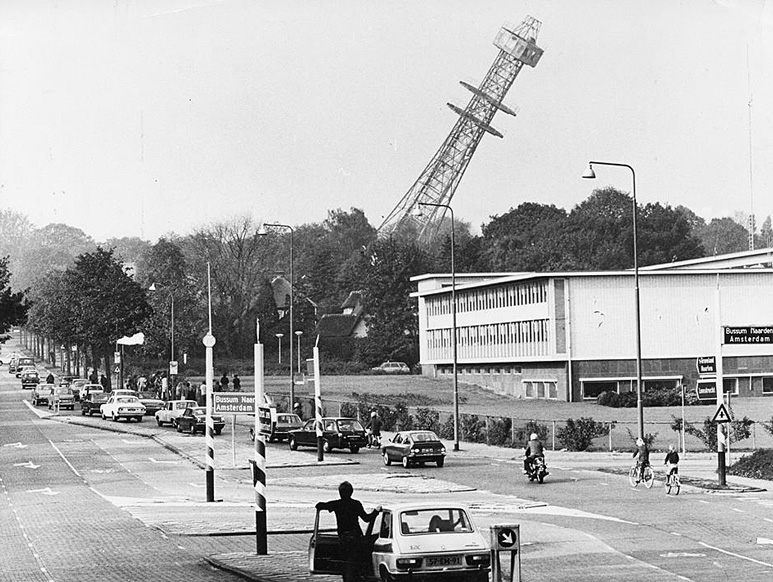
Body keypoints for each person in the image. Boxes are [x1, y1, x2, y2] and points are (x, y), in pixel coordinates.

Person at [316, 481, 381, 582]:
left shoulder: (337, 504)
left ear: (340, 492)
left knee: (345, 564)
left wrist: (322, 506)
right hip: (356, 538)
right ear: (351, 492)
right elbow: (367, 518)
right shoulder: (356, 504)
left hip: (344, 539)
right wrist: (376, 511)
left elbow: (320, 505)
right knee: (356, 564)